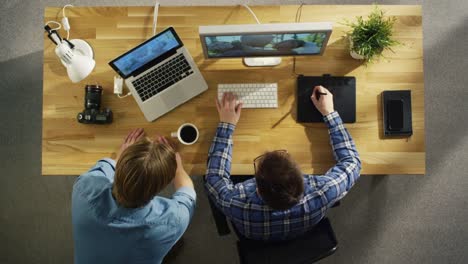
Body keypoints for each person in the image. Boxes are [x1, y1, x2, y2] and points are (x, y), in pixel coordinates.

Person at [205, 86, 361, 241]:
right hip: (301, 231)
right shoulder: (323, 192)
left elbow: (214, 178)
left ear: (257, 189)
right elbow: (352, 162)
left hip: (257, 235)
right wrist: (330, 113)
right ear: (303, 178)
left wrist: (227, 124)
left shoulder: (235, 203)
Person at [72, 129, 196, 264]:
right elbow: (187, 192)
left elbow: (107, 166)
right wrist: (177, 167)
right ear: (162, 186)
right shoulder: (174, 221)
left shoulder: (84, 187)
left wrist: (124, 154)